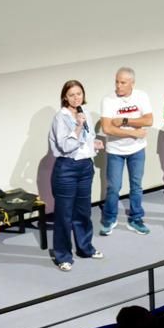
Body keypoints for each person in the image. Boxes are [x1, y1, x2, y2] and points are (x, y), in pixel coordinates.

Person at [49, 79, 104, 270]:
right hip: (67, 169)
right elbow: (65, 145)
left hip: (85, 167)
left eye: (79, 94)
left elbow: (87, 138)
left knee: (83, 211)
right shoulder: (60, 117)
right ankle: (63, 255)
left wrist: (94, 144)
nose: (76, 98)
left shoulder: (85, 112)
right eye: (71, 95)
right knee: (64, 215)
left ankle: (85, 248)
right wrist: (78, 126)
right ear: (65, 97)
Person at [98, 66, 153, 236]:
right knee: (114, 187)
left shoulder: (141, 96)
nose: (118, 86)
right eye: (117, 81)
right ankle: (109, 218)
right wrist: (133, 131)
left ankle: (135, 219)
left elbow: (149, 120)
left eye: (123, 82)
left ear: (132, 83)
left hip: (137, 149)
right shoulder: (108, 100)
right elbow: (107, 128)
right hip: (115, 151)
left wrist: (123, 120)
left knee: (136, 186)